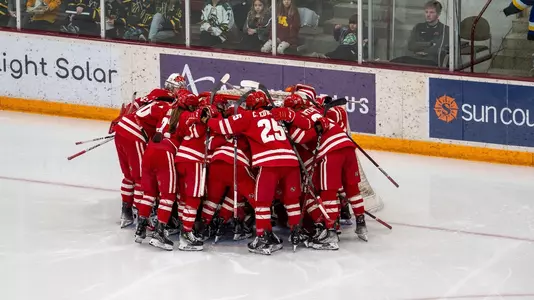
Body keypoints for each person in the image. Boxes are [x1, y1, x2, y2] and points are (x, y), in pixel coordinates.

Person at [201, 90, 307, 255]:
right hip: (291, 162)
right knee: (292, 199)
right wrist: (291, 115)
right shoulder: (276, 114)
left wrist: (208, 120)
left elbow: (223, 127)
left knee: (262, 202)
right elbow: (306, 124)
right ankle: (296, 232)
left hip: (268, 163)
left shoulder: (248, 117)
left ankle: (263, 237)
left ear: (250, 105)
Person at [390, 0, 449, 67]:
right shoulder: (418, 27)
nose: (428, 15)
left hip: (432, 61)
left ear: (438, 14)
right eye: (426, 12)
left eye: (431, 12)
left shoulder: (445, 29)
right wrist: (430, 44)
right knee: (393, 63)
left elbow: (439, 49)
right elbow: (411, 45)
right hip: (415, 58)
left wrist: (420, 48)